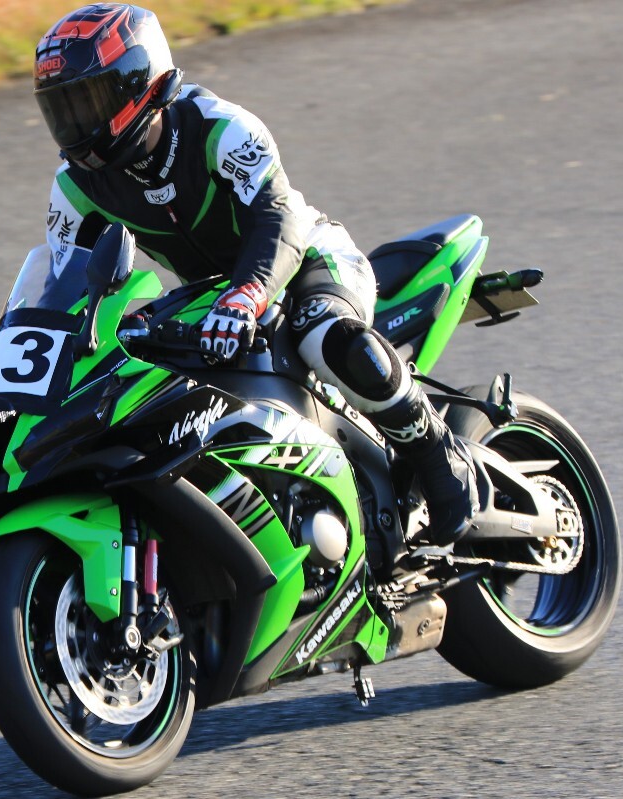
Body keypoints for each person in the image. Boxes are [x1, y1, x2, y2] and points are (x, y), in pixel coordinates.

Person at [33, 3, 477, 543]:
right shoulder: (74, 188)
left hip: (307, 260)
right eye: (62, 109)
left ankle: (439, 456)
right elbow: (65, 285)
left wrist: (249, 293)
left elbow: (277, 218)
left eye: (87, 101)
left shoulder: (219, 127)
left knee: (325, 332)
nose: (75, 124)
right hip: (211, 297)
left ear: (139, 83)